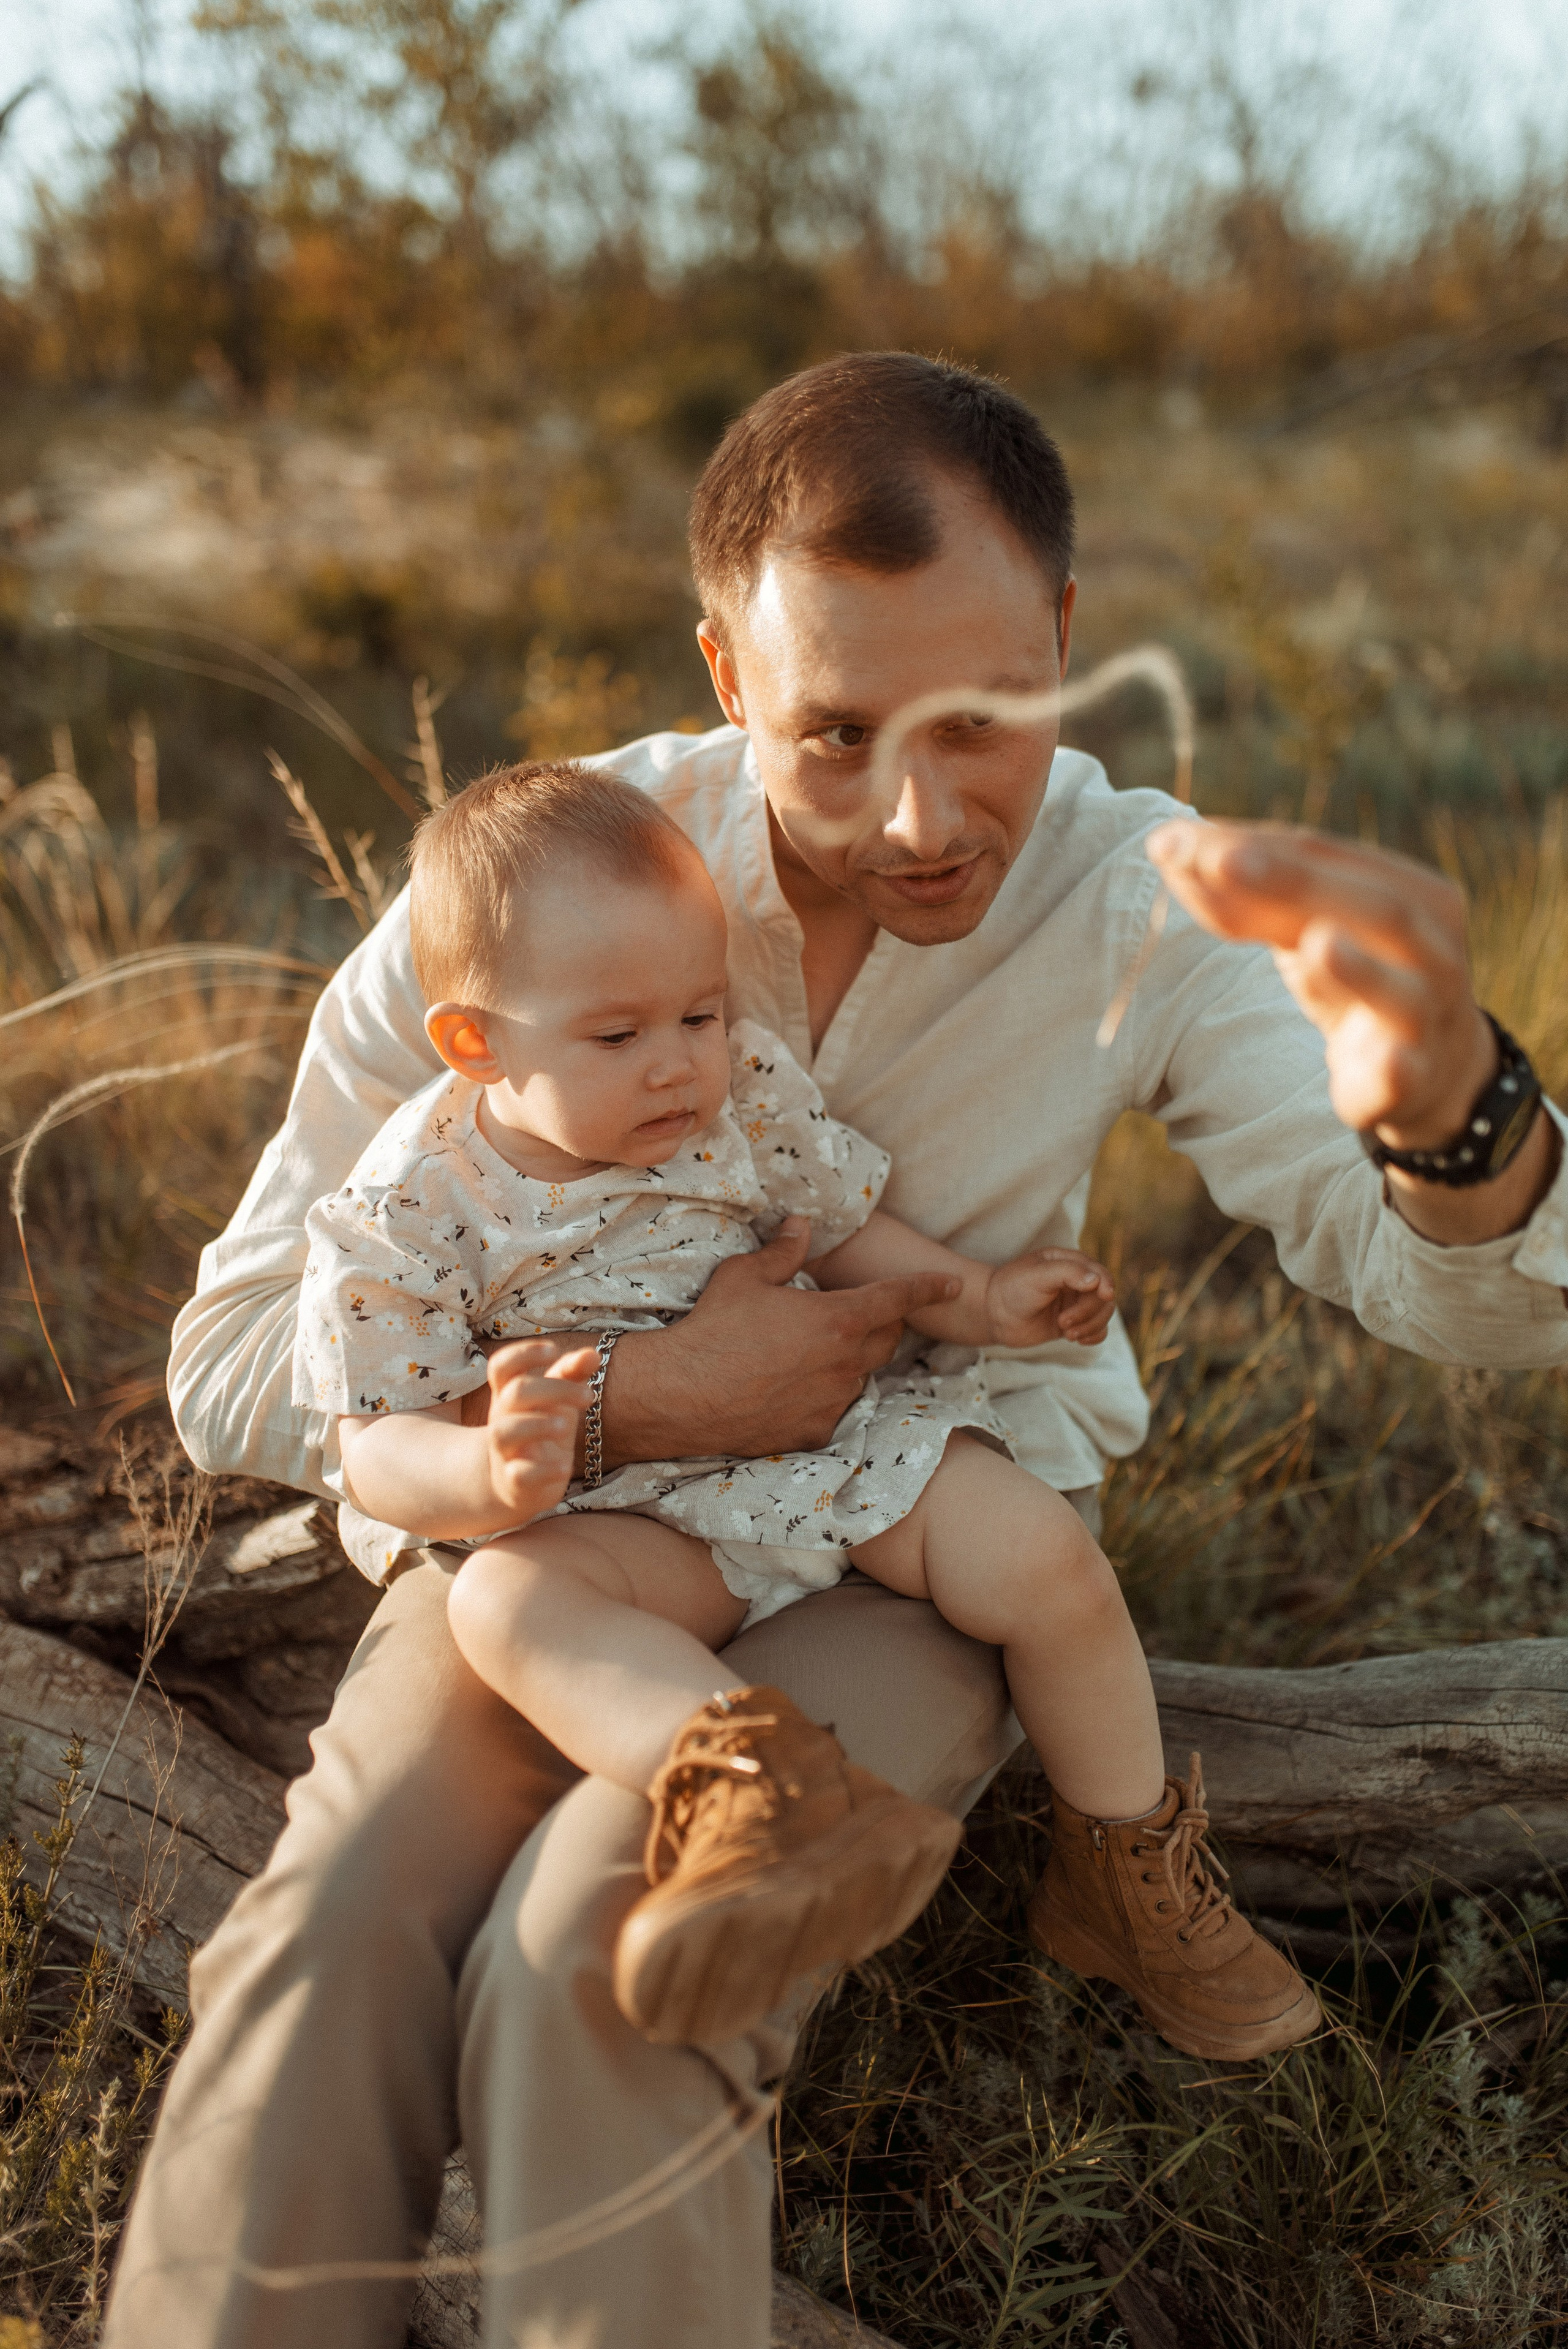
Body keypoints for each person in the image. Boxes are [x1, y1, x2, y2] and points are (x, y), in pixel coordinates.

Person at [104, 351, 1568, 2349]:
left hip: (900, 1536)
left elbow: (1436, 1292)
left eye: (985, 721)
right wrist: (609, 1403)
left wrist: (1457, 1119)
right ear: (725, 673)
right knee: (324, 1943)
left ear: (1064, 632)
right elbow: (232, 1356)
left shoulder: (1146, 897)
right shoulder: (529, 899)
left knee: (607, 1950)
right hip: (548, 1552)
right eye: (835, 729)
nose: (918, 809)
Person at [297, 755, 1319, 2059]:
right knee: (504, 1601)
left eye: (700, 1014)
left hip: (827, 1440)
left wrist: (979, 1296)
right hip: (623, 1522)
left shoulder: (741, 1099)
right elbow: (370, 1440)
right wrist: (490, 1475)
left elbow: (844, 1233)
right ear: (474, 1041)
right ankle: (743, 1787)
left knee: (1045, 1558)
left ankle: (1123, 1867)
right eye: (618, 1036)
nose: (678, 1066)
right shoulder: (409, 1207)